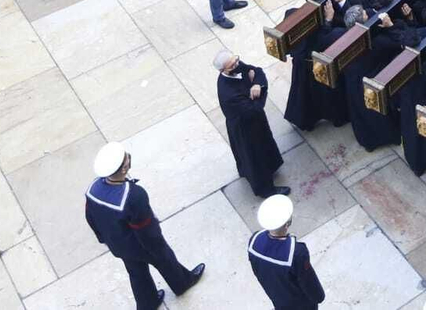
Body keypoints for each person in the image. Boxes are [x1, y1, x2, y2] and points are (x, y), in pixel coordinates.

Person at [84, 142, 205, 310]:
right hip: (142, 246)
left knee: (136, 273)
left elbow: (90, 217)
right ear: (124, 168)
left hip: (118, 246)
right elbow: (146, 231)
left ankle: (148, 303)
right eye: (126, 157)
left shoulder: (92, 189)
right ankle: (182, 283)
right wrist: (158, 249)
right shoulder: (134, 195)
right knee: (166, 261)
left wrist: (104, 239)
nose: (128, 156)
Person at [215, 51, 289, 199]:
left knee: (263, 148)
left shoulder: (236, 66)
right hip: (244, 128)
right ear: (223, 70)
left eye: (236, 60)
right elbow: (255, 109)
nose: (237, 65)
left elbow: (257, 71)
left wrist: (256, 85)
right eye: (232, 65)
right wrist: (259, 90)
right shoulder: (228, 93)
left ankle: (266, 168)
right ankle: (266, 190)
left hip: (253, 120)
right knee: (255, 156)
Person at [247, 195, 324, 310]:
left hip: (277, 298)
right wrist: (319, 296)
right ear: (287, 224)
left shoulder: (254, 241)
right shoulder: (296, 252)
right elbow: (308, 283)